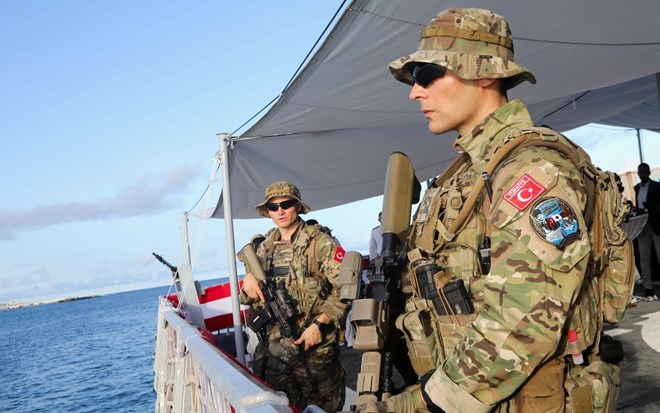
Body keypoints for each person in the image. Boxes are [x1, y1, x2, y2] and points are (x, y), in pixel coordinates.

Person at [359, 8, 608, 413]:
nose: (415, 92)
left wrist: (422, 402)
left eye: (426, 74)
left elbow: (528, 317)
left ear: (486, 73)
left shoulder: (529, 169)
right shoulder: (472, 172)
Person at [239, 181, 348, 412]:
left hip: (315, 346)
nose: (280, 211)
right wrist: (247, 282)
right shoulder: (264, 248)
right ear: (267, 211)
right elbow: (250, 297)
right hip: (277, 350)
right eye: (273, 207)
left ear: (297, 206)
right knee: (283, 405)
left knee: (323, 406)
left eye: (286, 204)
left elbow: (348, 287)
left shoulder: (320, 243)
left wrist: (320, 324)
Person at [634, 163, 660, 300]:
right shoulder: (637, 188)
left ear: (649, 173)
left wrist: (646, 209)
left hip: (656, 226)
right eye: (640, 172)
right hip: (642, 227)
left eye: (644, 172)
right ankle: (648, 287)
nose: (642, 175)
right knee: (644, 257)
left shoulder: (657, 187)